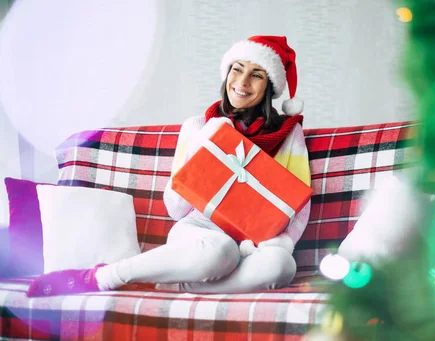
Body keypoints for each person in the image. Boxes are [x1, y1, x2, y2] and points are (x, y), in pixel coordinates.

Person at [26, 35, 312, 296]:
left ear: (270, 86)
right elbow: (176, 208)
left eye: (257, 74)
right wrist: (212, 142)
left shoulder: (288, 135)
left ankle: (184, 285)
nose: (243, 81)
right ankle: (105, 276)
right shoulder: (198, 127)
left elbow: (299, 202)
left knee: (281, 265)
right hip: (200, 233)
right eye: (237, 69)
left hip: (256, 243)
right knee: (220, 250)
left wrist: (282, 243)